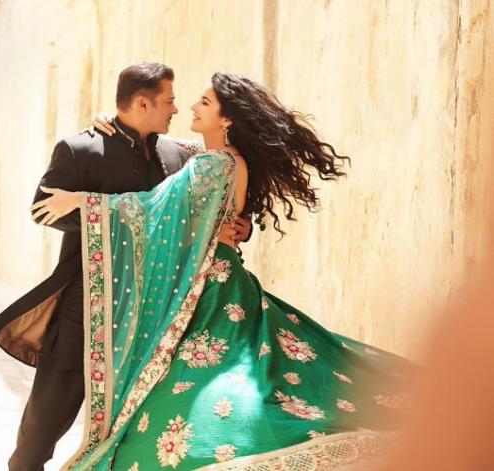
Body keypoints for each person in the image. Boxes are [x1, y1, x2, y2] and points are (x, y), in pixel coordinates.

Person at [32, 72, 415, 470]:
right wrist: (110, 123)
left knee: (202, 384)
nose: (187, 107)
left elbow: (156, 211)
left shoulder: (212, 164)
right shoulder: (220, 158)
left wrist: (83, 203)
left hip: (210, 288)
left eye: (204, 102)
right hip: (222, 278)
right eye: (182, 100)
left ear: (227, 118)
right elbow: (163, 157)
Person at [0, 63, 253, 471]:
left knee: (136, 409)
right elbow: (43, 211)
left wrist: (243, 225)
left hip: (155, 304)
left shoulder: (178, 154)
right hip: (90, 298)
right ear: (143, 103)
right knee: (52, 405)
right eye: (169, 101)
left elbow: (216, 193)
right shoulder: (82, 149)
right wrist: (106, 222)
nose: (176, 109)